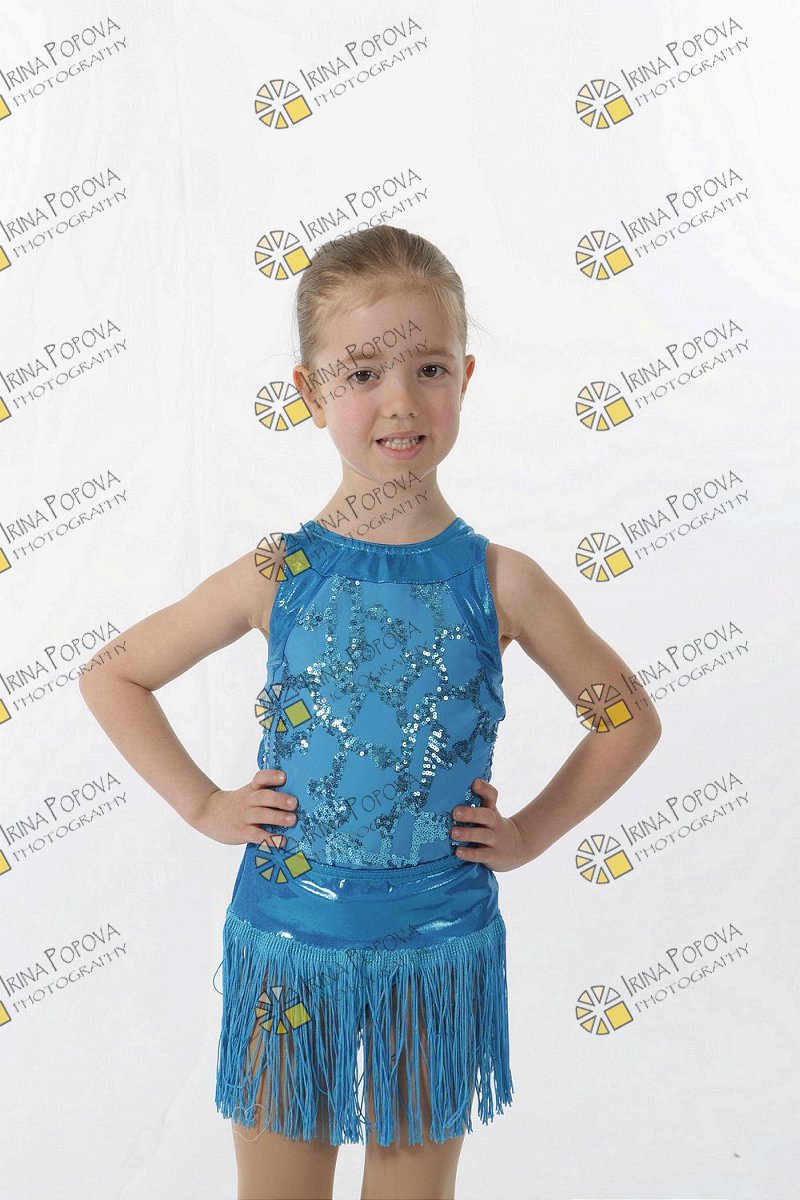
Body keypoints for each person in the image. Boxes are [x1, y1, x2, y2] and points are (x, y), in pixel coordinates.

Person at [78, 224, 662, 1200]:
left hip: (436, 949)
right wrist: (203, 804)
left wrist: (525, 833)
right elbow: (114, 675)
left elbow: (625, 718)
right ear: (309, 393)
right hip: (286, 944)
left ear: (464, 377)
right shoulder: (278, 570)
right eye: (360, 374)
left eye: (427, 367)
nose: (399, 400)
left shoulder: (499, 581)